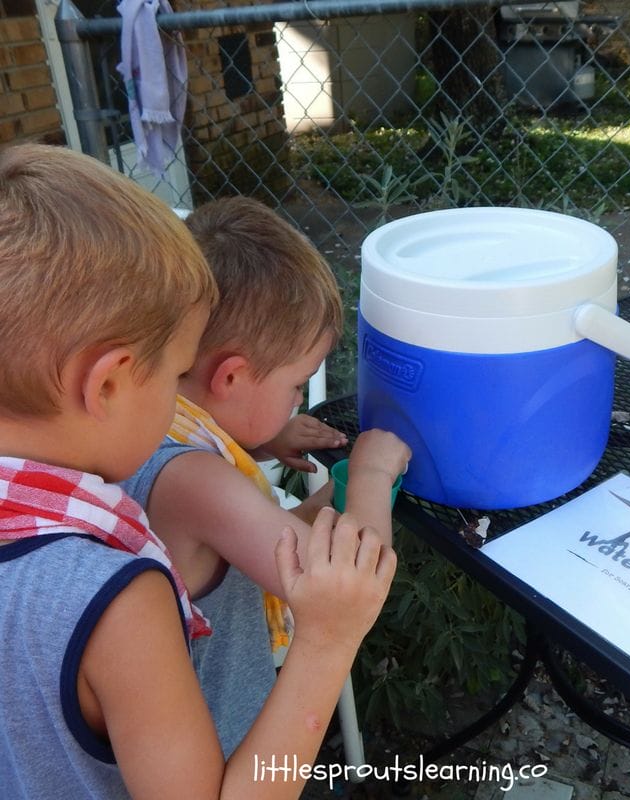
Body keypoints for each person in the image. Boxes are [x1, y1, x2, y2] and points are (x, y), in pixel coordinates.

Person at [0, 143, 401, 800]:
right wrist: (329, 634)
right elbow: (342, 577)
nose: (179, 400)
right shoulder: (118, 602)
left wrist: (266, 448)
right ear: (105, 386)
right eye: (173, 371)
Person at [120, 195, 410, 756]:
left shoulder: (147, 427)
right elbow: (351, 580)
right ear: (231, 376)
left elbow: (264, 540)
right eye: (295, 384)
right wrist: (371, 476)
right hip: (219, 747)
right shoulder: (195, 482)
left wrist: (268, 440)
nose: (299, 400)